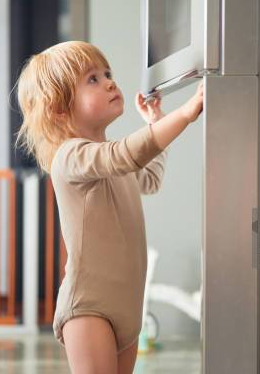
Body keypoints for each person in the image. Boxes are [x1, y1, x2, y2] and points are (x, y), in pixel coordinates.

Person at [14, 40, 203, 373]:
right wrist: (184, 114)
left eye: (107, 74)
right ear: (59, 108)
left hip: (126, 307)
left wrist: (154, 122)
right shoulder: (71, 157)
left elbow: (149, 178)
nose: (109, 82)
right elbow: (127, 154)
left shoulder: (111, 161)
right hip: (89, 308)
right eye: (92, 80)